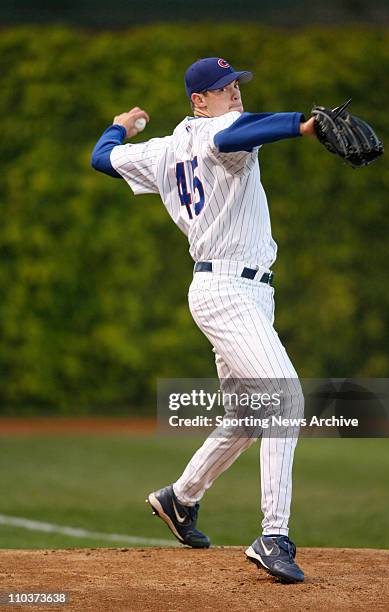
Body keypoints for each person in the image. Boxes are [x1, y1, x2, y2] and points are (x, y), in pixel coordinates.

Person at [91, 57, 315, 583]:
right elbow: (240, 135)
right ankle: (274, 535)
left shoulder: (163, 150)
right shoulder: (219, 129)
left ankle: (180, 498)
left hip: (234, 291)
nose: (234, 92)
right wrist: (300, 125)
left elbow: (103, 159)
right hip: (229, 290)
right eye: (223, 87)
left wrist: (120, 126)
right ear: (199, 100)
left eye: (236, 84)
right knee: (284, 398)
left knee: (246, 416)